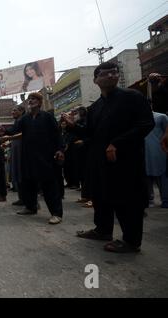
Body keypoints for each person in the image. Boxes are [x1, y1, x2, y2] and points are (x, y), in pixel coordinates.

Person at [63, 62, 155, 253]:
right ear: (96, 80)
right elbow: (90, 133)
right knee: (101, 196)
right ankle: (102, 230)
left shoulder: (132, 97)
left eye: (115, 72)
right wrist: (73, 126)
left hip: (125, 160)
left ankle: (131, 241)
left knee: (127, 200)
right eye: (106, 73)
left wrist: (118, 143)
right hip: (100, 161)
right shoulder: (96, 107)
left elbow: (146, 124)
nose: (112, 76)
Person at [1, 92, 65, 225]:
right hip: (28, 156)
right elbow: (14, 129)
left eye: (34, 99)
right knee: (28, 183)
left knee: (49, 185)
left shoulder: (47, 117)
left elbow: (57, 134)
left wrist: (60, 149)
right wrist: (3, 131)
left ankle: (56, 213)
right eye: (29, 99)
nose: (31, 101)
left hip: (45, 156)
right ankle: (30, 207)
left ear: (40, 102)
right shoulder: (25, 119)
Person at [0, 105, 26, 206]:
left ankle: (30, 201)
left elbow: (23, 133)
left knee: (22, 174)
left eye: (15, 110)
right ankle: (22, 198)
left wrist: (8, 137)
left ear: (22, 111)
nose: (12, 112)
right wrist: (8, 143)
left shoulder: (24, 120)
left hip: (22, 150)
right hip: (16, 148)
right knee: (17, 174)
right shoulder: (17, 121)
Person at [145, 111, 168, 209]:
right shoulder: (138, 118)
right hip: (145, 153)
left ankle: (166, 200)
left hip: (159, 152)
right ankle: (149, 199)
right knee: (146, 176)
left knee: (163, 176)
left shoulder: (161, 117)